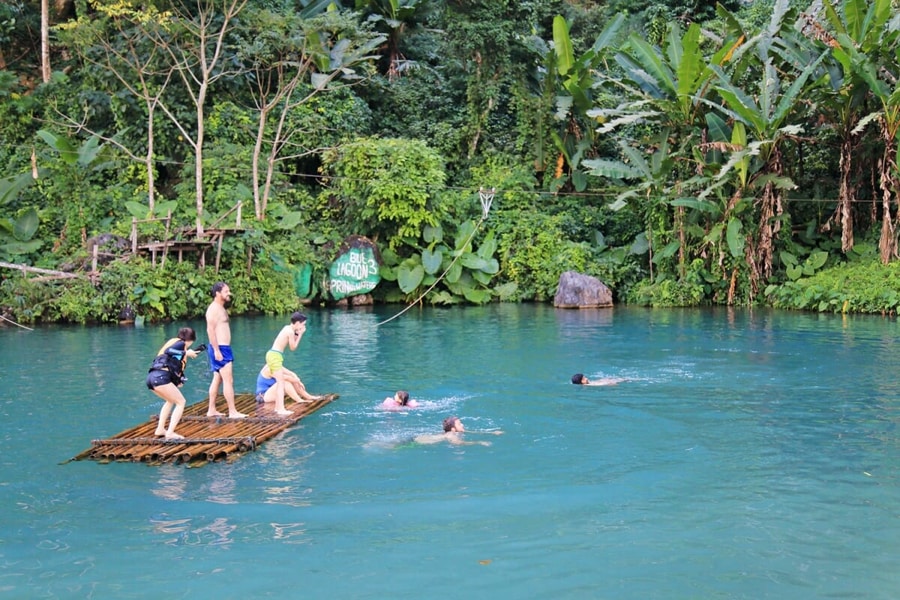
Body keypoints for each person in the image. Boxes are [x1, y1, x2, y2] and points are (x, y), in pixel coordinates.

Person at [146, 327, 201, 440]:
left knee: (170, 400)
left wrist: (178, 380)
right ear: (190, 340)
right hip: (160, 378)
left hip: (151, 378)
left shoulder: (174, 343)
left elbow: (169, 363)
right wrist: (187, 352)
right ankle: (170, 433)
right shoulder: (181, 344)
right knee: (181, 402)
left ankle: (160, 429)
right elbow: (168, 351)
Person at [206, 282, 246, 418]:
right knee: (229, 380)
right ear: (218, 293)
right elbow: (210, 330)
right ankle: (232, 411)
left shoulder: (220, 308)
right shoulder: (213, 309)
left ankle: (211, 409)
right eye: (226, 291)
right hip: (220, 349)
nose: (229, 293)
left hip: (222, 348)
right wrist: (217, 350)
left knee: (217, 378)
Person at [264, 311, 308, 416]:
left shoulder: (287, 328)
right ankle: (280, 409)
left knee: (280, 382)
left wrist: (297, 333)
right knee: (281, 382)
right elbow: (293, 348)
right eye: (303, 324)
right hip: (275, 356)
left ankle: (279, 408)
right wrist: (300, 334)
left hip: (273, 355)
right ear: (297, 323)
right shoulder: (290, 332)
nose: (303, 326)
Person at [255, 363, 321, 405]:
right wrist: (297, 381)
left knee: (292, 380)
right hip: (263, 396)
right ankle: (299, 400)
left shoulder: (276, 365)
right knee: (285, 382)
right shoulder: (269, 369)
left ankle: (308, 396)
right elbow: (285, 378)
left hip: (274, 392)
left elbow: (291, 373)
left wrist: (297, 380)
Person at [413, 416, 503, 446]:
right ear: (453, 429)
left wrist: (492, 433)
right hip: (419, 442)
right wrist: (479, 442)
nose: (462, 425)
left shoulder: (455, 432)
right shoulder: (451, 435)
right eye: (459, 424)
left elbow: (469, 431)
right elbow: (458, 443)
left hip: (420, 438)